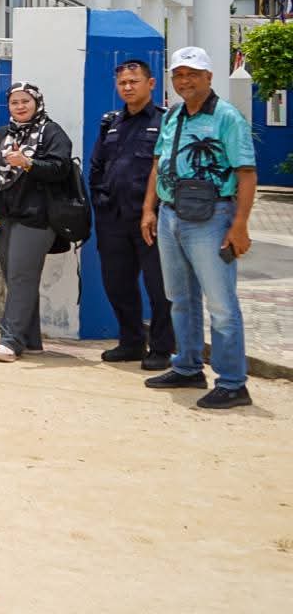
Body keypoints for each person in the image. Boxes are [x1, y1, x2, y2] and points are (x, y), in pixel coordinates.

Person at [140, 47, 257, 409]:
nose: (184, 80)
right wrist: (149, 208)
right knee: (180, 299)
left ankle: (234, 382)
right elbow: (159, 164)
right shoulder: (173, 115)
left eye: (192, 73)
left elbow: (247, 173)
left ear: (209, 77)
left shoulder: (227, 117)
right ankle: (188, 366)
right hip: (172, 214)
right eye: (179, 74)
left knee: (221, 305)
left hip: (213, 217)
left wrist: (240, 225)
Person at [89, 59, 172, 370]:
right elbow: (96, 166)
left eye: (134, 82)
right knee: (117, 283)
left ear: (151, 84)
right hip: (113, 219)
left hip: (150, 220)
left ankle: (163, 348)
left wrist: (155, 209)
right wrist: (100, 200)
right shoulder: (110, 123)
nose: (128, 87)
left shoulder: (165, 121)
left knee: (159, 288)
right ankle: (131, 342)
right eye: (122, 83)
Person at [0, 83, 73, 362]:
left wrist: (28, 163)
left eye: (26, 101)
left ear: (37, 103)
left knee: (22, 277)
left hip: (38, 218)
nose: (20, 106)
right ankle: (31, 339)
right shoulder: (1, 135)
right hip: (6, 217)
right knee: (16, 279)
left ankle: (10, 340)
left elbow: (61, 168)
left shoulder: (51, 133)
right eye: (14, 102)